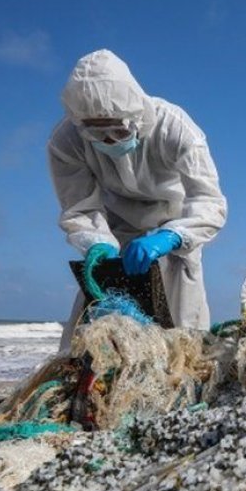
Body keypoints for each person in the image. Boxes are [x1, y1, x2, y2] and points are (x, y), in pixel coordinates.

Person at [49, 49, 228, 351]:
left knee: (184, 327)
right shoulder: (66, 141)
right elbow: (78, 206)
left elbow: (209, 200)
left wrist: (172, 236)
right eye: (97, 133)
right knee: (90, 326)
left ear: (136, 116)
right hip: (112, 227)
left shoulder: (174, 127)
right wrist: (95, 242)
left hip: (174, 224)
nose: (109, 141)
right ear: (79, 124)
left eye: (118, 130)